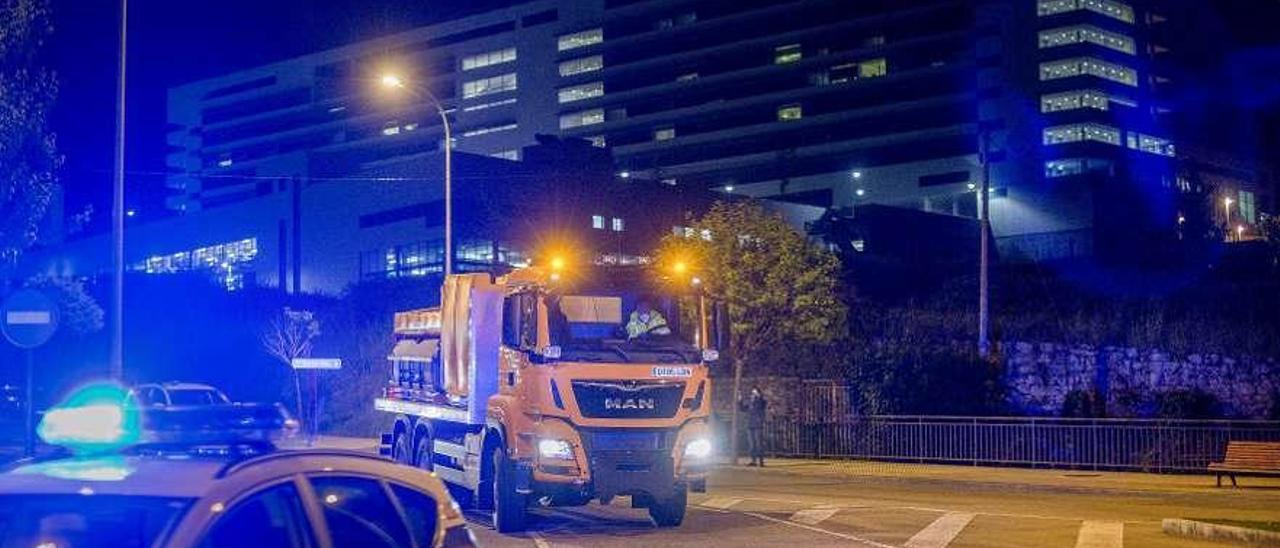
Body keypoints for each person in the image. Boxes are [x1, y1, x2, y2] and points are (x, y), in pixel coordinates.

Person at [740, 386, 768, 466]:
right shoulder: (750, 403)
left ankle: (761, 461)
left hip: (758, 425)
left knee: (759, 444)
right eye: (752, 393)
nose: (752, 395)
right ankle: (753, 461)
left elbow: (763, 403)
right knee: (752, 444)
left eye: (754, 393)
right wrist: (740, 400)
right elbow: (742, 409)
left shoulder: (761, 402)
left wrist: (759, 396)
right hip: (750, 425)